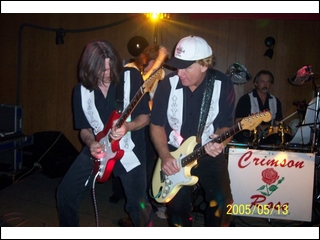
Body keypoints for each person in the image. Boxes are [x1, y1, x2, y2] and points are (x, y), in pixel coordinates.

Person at [56, 39, 153, 227]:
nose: (108, 74)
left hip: (129, 149)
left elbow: (145, 117)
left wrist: (128, 127)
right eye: (102, 70)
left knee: (138, 206)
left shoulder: (131, 77)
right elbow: (84, 129)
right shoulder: (80, 91)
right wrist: (90, 143)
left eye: (111, 68)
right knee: (64, 194)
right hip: (98, 146)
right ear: (89, 68)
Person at [149, 35, 235, 227]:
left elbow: (226, 126)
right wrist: (164, 155)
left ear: (205, 65)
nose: (180, 73)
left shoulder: (223, 85)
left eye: (186, 67)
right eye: (178, 66)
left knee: (222, 204)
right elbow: (156, 124)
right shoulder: (167, 85)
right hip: (173, 152)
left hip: (207, 152)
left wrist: (220, 141)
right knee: (177, 210)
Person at [117, 44, 169, 227]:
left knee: (145, 172)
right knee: (135, 174)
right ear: (149, 60)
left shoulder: (156, 73)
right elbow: (141, 90)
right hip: (128, 132)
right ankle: (136, 214)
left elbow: (148, 100)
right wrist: (160, 60)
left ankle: (139, 214)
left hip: (144, 127)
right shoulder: (131, 70)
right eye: (156, 62)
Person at [233, 70, 283, 144]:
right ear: (256, 83)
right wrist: (259, 127)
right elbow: (238, 122)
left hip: (270, 140)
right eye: (262, 82)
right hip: (250, 139)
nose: (265, 84)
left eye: (268, 82)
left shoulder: (275, 101)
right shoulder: (246, 99)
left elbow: (278, 122)